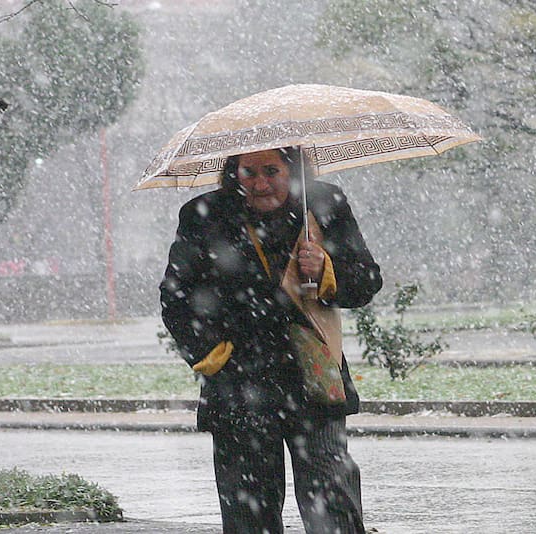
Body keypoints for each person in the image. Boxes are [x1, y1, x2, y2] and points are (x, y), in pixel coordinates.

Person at [160, 146, 382, 533]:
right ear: (234, 172)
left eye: (271, 171)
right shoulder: (205, 215)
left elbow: (366, 280)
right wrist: (215, 354)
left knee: (332, 501)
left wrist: (326, 269)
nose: (260, 184)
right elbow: (176, 298)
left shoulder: (325, 203)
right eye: (249, 172)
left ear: (292, 170)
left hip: (313, 377)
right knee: (248, 511)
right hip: (239, 384)